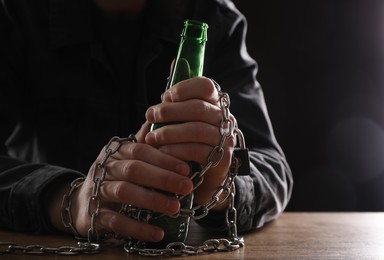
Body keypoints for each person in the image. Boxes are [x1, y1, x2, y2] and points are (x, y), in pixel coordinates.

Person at [0, 0, 293, 245]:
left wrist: (220, 186)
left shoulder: (212, 16)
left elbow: (272, 168)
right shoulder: (16, 13)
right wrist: (66, 198)